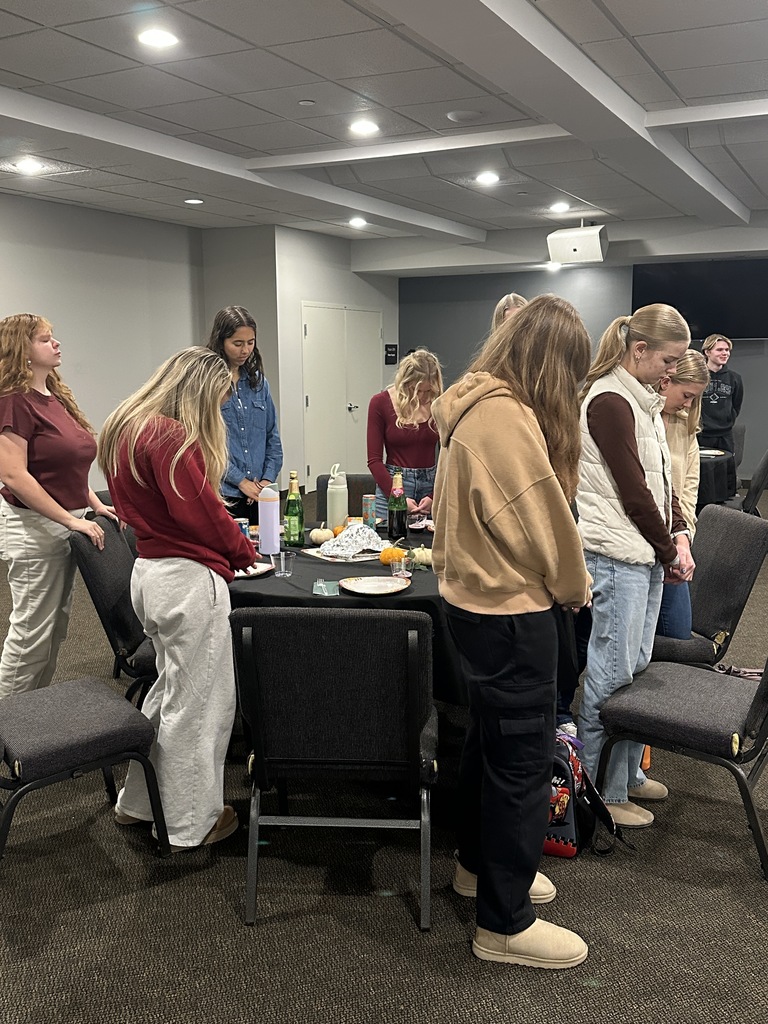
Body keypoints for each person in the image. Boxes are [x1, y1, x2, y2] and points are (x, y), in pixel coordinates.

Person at [432, 295, 592, 969]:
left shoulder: (475, 401)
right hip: (512, 612)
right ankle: (504, 921)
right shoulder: (504, 417)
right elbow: (545, 528)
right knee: (522, 764)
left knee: (489, 748)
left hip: (475, 605)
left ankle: (477, 867)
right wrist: (577, 593)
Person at [97, 348, 257, 852]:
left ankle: (140, 803)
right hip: (187, 579)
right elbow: (202, 513)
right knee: (202, 707)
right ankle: (191, 823)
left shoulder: (127, 424)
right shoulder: (170, 434)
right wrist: (242, 551)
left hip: (150, 573)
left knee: (167, 694)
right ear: (200, 390)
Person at [576, 304, 695, 830]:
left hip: (640, 554)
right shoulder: (608, 399)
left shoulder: (641, 400)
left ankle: (624, 777)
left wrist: (677, 537)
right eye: (668, 360)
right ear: (638, 349)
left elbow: (662, 484)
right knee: (609, 675)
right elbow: (633, 493)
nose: (673, 371)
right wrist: (669, 549)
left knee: (636, 671)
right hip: (614, 555)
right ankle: (602, 789)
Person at [0, 313, 113, 700]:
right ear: (22, 351)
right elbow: (15, 476)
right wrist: (70, 519)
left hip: (65, 523)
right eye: (46, 339)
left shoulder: (54, 396)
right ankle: (8, 726)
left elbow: (69, 465)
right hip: (34, 529)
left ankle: (32, 712)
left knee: (55, 628)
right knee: (32, 632)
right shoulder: (14, 402)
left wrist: (94, 504)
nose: (56, 344)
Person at [207, 305, 283, 526]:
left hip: (260, 492)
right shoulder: (208, 384)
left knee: (265, 553)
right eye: (237, 344)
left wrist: (266, 482)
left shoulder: (259, 383)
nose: (245, 350)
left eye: (250, 343)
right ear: (221, 341)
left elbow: (272, 436)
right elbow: (206, 444)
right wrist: (241, 481)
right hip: (224, 493)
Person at [656, 350, 709, 639]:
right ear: (666, 381)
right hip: (644, 545)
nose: (688, 404)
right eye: (686, 394)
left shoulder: (685, 424)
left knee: (679, 634)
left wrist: (683, 538)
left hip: (674, 542)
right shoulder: (639, 418)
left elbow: (688, 488)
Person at [367, 348, 442, 520]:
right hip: (393, 484)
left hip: (430, 487)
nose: (423, 396)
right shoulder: (380, 403)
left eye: (428, 391)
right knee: (387, 544)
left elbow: (450, 456)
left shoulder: (440, 403)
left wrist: (434, 495)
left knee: (428, 545)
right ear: (405, 382)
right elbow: (374, 461)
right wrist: (397, 496)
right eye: (417, 391)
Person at [698, 333, 743, 455]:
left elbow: (736, 405)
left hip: (725, 436)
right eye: (719, 350)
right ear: (707, 352)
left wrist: (727, 420)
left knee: (726, 471)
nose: (725, 353)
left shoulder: (735, 378)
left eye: (727, 350)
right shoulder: (697, 377)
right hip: (701, 435)